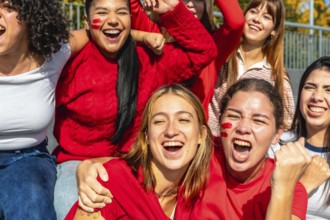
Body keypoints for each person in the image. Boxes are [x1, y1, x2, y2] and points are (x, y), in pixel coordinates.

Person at [53, 0, 217, 218]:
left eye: (121, 12)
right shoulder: (68, 63)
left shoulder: (149, 59)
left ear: (131, 20)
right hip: (79, 166)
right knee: (71, 206)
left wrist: (171, 12)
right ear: (86, 21)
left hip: (137, 164)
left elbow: (203, 51)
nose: (113, 19)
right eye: (102, 12)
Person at [64, 84, 212, 219]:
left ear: (201, 134)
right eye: (159, 121)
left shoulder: (200, 195)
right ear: (146, 136)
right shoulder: (111, 183)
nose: (171, 131)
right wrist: (86, 165)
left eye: (183, 120)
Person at [0, 0, 91, 219]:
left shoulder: (52, 55)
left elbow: (98, 32)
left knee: (30, 201)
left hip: (28, 159)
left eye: (8, 6)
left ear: (31, 16)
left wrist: (145, 35)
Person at [183, 78, 310, 219]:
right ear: (219, 122)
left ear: (276, 134)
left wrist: (282, 188)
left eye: (258, 121)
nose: (243, 128)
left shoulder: (292, 190)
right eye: (234, 116)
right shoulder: (197, 155)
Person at [130, 0, 245, 117]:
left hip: (195, 131)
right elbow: (132, 6)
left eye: (198, 0)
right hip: (153, 127)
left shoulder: (214, 45)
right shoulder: (153, 34)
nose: (191, 4)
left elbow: (236, 22)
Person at [208, 0, 295, 137]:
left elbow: (287, 127)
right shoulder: (222, 54)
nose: (256, 19)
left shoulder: (277, 77)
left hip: (244, 151)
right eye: (253, 11)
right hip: (209, 147)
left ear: (274, 30)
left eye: (266, 17)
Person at [290, 56, 330, 219]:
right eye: (309, 87)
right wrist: (304, 185)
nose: (317, 97)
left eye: (329, 90)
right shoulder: (276, 145)